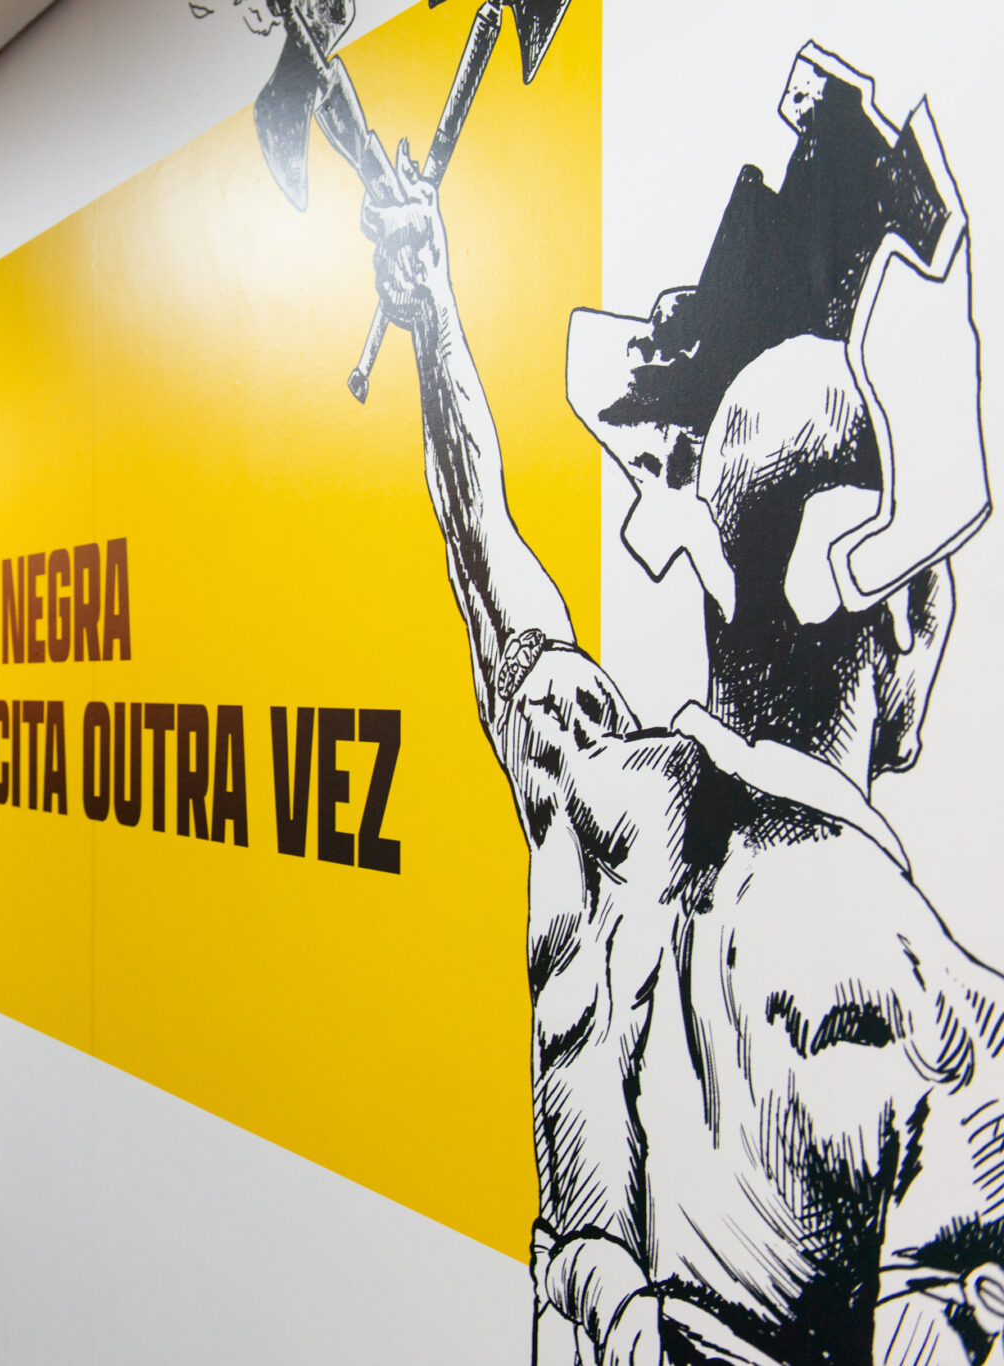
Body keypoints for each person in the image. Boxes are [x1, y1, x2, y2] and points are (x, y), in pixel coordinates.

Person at [358, 54, 1004, 1360]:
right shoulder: (952, 1038)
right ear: (907, 618)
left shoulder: (589, 809)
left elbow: (493, 582)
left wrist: (431, 318)